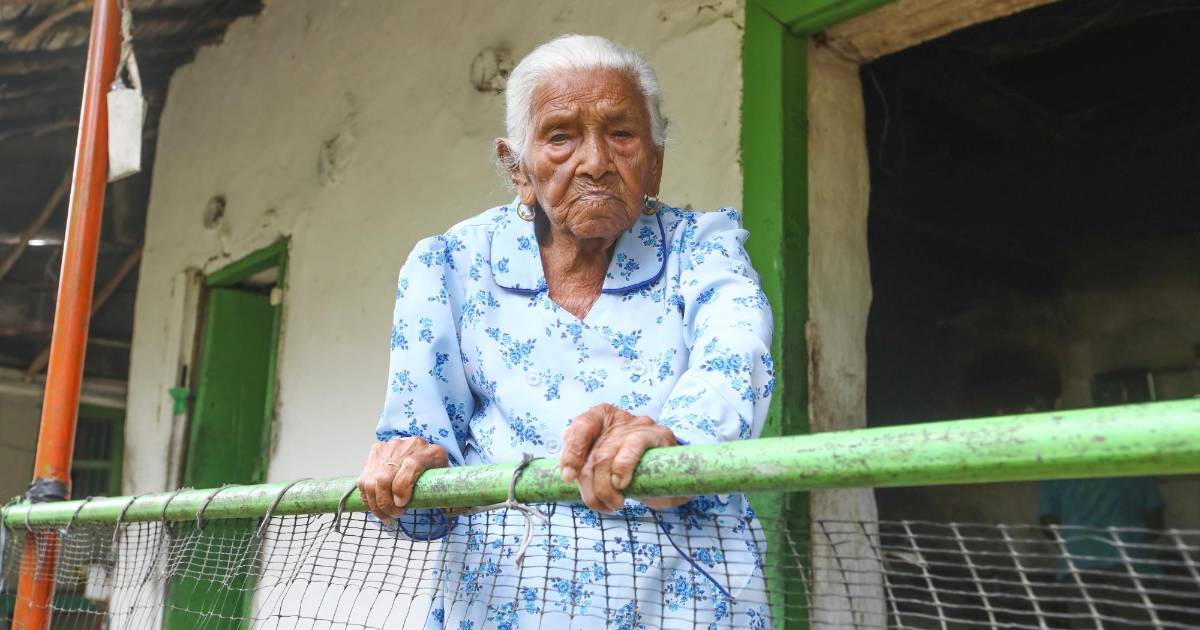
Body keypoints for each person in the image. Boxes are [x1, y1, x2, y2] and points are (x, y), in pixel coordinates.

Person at [356, 34, 775, 629]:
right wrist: (405, 475)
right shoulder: (450, 265)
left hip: (688, 605)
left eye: (622, 134)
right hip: (503, 605)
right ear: (517, 168)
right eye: (561, 137)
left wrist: (672, 443)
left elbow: (735, 360)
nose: (596, 161)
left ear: (655, 160)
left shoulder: (704, 249)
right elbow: (420, 471)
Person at [1039, 477, 1166, 629]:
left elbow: (1047, 522)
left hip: (1078, 562)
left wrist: (1073, 542)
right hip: (1129, 561)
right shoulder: (1135, 468)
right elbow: (1155, 522)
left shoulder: (1056, 471)